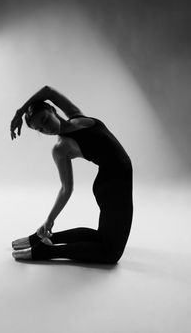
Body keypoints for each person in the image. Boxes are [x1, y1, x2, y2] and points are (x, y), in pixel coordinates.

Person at [10, 86, 133, 264]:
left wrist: (20, 112)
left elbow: (48, 91)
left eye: (45, 119)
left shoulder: (76, 115)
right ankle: (44, 251)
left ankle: (40, 239)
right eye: (41, 129)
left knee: (102, 238)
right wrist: (50, 220)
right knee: (110, 254)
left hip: (114, 181)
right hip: (112, 185)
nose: (47, 128)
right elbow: (66, 189)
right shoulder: (61, 149)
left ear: (52, 109)